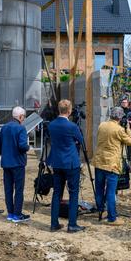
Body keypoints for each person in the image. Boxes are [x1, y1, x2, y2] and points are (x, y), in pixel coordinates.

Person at [47, 99, 86, 233]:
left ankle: (54, 223)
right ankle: (72, 224)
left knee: (57, 193)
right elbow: (81, 140)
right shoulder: (72, 126)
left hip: (57, 162)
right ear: (69, 111)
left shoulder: (51, 125)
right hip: (70, 162)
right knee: (73, 193)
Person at [92, 107, 131, 225]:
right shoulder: (119, 130)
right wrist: (128, 129)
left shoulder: (102, 125)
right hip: (112, 163)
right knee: (111, 191)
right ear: (120, 117)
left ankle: (101, 210)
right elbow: (130, 141)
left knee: (99, 188)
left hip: (99, 160)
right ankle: (112, 217)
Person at [0, 106, 30, 222]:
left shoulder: (4, 127)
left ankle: (10, 213)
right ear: (20, 117)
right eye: (24, 117)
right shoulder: (21, 128)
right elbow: (22, 146)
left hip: (6, 163)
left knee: (8, 189)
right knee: (19, 189)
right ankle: (17, 214)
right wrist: (28, 147)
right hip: (18, 163)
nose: (24, 119)